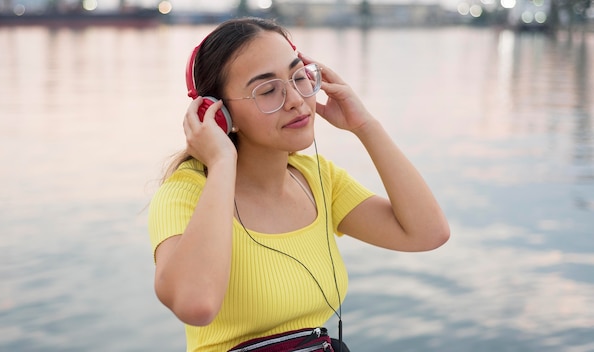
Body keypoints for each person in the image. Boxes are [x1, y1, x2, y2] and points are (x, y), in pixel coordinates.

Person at [148, 17, 450, 352]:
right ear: (219, 114)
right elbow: (196, 305)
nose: (295, 99)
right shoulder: (184, 194)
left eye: (298, 77)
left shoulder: (316, 178)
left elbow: (427, 233)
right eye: (267, 90)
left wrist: (364, 125)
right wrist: (220, 164)